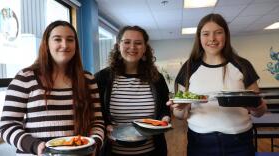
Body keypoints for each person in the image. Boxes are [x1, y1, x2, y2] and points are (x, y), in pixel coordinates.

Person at [0, 20, 105, 156]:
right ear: (46, 44)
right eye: (57, 39)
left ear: (76, 46)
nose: (65, 45)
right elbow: (7, 125)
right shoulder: (25, 77)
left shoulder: (88, 79)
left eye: (70, 40)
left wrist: (94, 144)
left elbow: (97, 122)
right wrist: (35, 146)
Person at [167, 13, 267, 156]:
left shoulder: (242, 65)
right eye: (206, 34)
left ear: (226, 35)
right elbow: (180, 114)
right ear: (199, 37)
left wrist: (256, 107)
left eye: (218, 33)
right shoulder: (189, 67)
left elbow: (260, 111)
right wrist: (181, 108)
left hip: (239, 143)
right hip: (200, 143)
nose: (212, 39)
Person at [95, 25, 170, 156]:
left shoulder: (157, 78)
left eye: (138, 43)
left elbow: (164, 108)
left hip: (151, 151)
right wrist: (106, 126)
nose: (132, 47)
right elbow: (96, 114)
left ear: (145, 48)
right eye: (127, 42)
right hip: (113, 152)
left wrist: (165, 118)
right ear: (118, 45)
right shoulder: (102, 78)